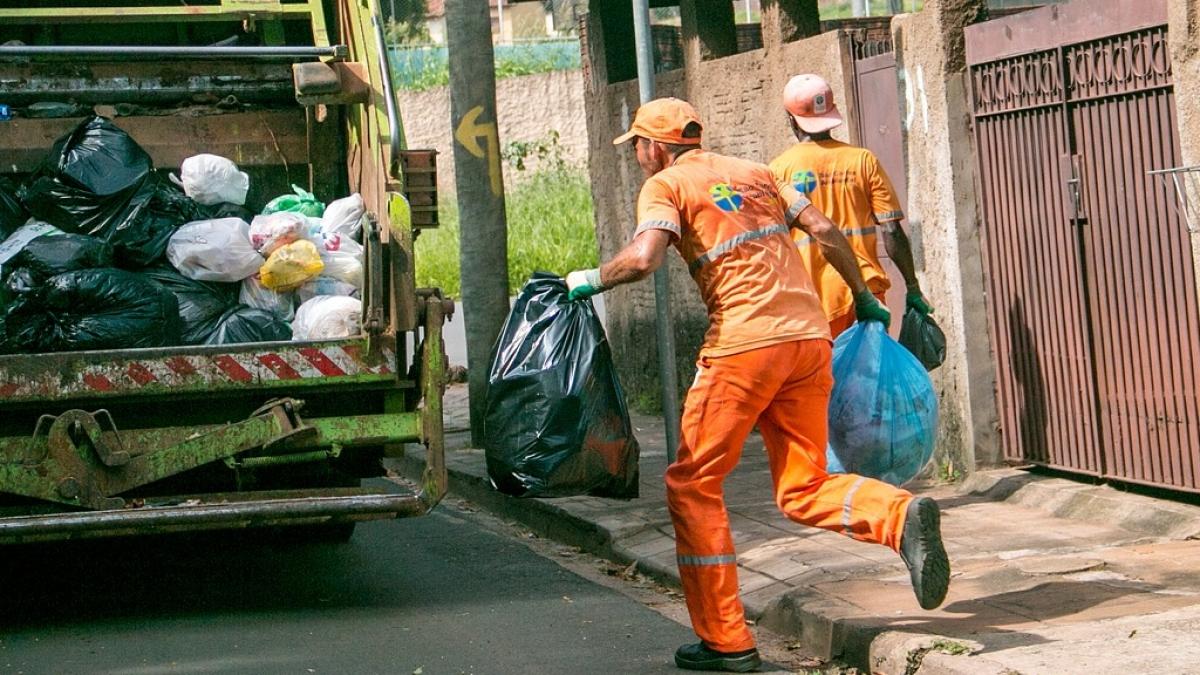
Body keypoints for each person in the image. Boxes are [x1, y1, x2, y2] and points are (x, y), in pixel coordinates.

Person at [565, 97, 949, 673]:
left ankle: (727, 641)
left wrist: (590, 280)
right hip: (808, 340)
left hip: (744, 346)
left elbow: (645, 258)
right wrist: (865, 296)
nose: (639, 158)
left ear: (655, 146)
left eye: (638, 147)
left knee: (693, 483)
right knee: (802, 485)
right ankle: (898, 516)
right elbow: (823, 228)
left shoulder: (666, 185)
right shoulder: (756, 172)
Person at [768, 73, 933, 338]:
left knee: (826, 379)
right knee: (870, 377)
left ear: (791, 119)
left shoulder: (777, 170)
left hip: (815, 301)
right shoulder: (863, 161)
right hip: (868, 295)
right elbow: (891, 231)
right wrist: (912, 287)